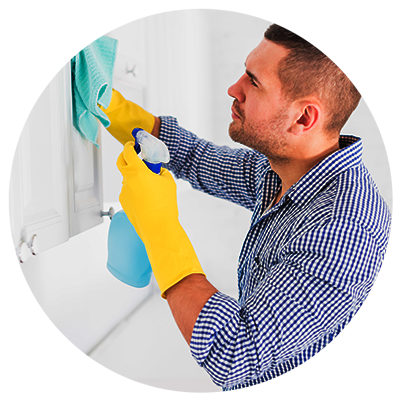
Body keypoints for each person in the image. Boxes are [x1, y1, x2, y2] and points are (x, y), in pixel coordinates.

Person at [101, 14, 393, 393]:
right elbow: (196, 158)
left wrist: (160, 227)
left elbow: (233, 350)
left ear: (304, 117)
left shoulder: (346, 230)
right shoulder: (282, 170)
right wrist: (116, 111)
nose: (233, 88)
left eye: (253, 82)